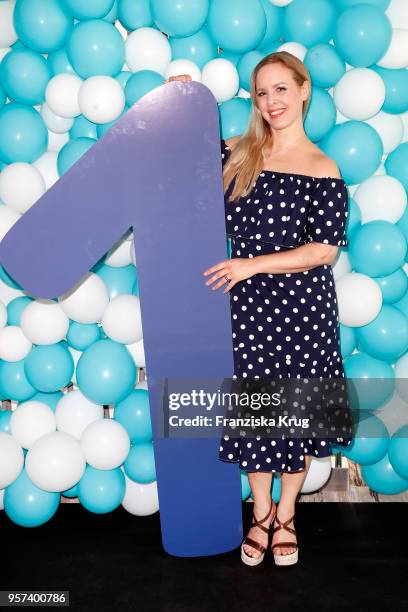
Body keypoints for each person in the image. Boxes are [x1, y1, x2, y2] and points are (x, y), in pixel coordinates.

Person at [164, 50, 353, 567]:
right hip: (248, 313)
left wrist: (250, 265)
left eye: (281, 90)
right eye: (262, 92)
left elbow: (323, 250)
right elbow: (179, 154)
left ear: (304, 90)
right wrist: (182, 96)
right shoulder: (238, 153)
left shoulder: (322, 166)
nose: (271, 102)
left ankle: (287, 516)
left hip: (302, 311)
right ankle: (261, 512)